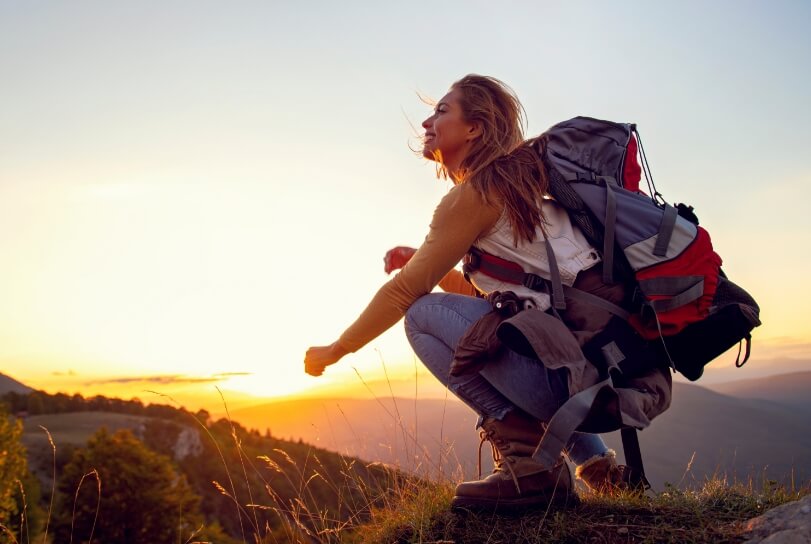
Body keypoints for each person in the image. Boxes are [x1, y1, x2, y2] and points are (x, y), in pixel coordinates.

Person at [304, 75, 633, 510]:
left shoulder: (476, 194)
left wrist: (337, 348)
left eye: (441, 111)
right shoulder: (522, 188)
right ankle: (598, 469)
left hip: (570, 385)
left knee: (421, 315)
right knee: (513, 331)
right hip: (616, 378)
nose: (426, 122)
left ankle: (529, 463)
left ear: (474, 128)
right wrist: (424, 260)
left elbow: (405, 293)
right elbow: (499, 307)